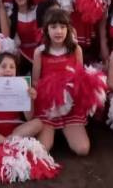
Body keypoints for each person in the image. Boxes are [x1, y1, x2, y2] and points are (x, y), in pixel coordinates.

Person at [32, 9, 89, 156]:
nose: (59, 31)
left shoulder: (76, 49)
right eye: (53, 27)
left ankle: (66, 130)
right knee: (42, 150)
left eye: (63, 27)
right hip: (48, 107)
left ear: (68, 29)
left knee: (82, 149)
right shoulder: (40, 52)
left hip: (71, 106)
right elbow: (35, 81)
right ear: (46, 30)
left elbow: (80, 78)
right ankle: (51, 132)